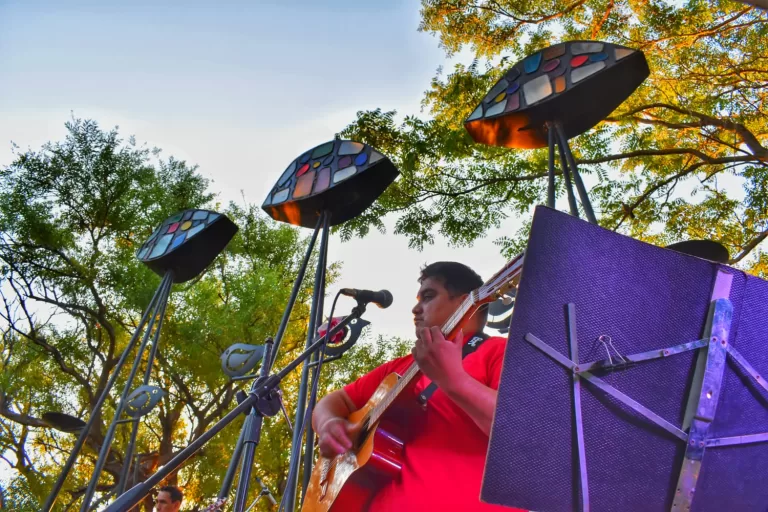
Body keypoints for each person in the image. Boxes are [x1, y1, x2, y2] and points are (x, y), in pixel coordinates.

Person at [312, 261, 514, 511]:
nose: (415, 309)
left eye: (428, 296)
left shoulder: (501, 353)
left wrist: (454, 381)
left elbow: (523, 434)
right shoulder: (399, 368)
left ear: (465, 302)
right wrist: (328, 424)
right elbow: (335, 401)